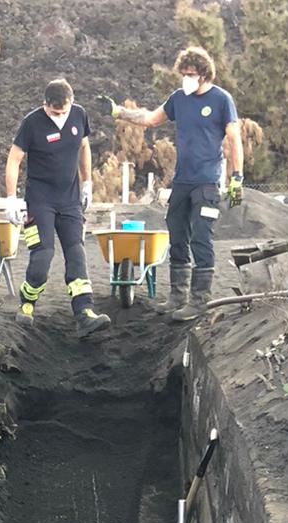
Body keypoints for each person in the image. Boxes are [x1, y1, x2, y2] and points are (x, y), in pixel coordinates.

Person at [102, 46, 243, 319]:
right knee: (177, 236)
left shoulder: (221, 100)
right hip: (182, 181)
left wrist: (237, 177)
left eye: (190, 74)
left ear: (204, 74)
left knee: (201, 238)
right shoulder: (179, 99)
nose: (186, 79)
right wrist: (119, 111)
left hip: (208, 182)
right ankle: (177, 295)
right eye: (183, 74)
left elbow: (234, 139)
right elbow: (151, 119)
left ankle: (199, 300)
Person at [4, 79, 110, 338]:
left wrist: (87, 183)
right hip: (40, 200)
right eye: (54, 112)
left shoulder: (79, 115)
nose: (60, 117)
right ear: (45, 106)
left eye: (63, 112)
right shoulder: (32, 123)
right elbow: (14, 159)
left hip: (70, 199)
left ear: (71, 104)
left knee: (77, 253)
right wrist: (11, 198)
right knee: (43, 256)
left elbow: (84, 146)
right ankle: (28, 303)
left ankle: (84, 313)